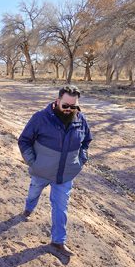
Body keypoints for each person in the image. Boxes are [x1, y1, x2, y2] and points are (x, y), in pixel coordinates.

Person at [17, 85, 93, 256]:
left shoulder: (81, 120)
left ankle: (58, 241)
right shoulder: (40, 118)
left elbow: (86, 142)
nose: (69, 110)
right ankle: (28, 208)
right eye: (65, 105)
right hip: (41, 172)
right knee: (33, 193)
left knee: (61, 206)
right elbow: (24, 141)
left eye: (73, 106)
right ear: (57, 101)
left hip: (65, 175)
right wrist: (33, 163)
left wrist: (81, 160)